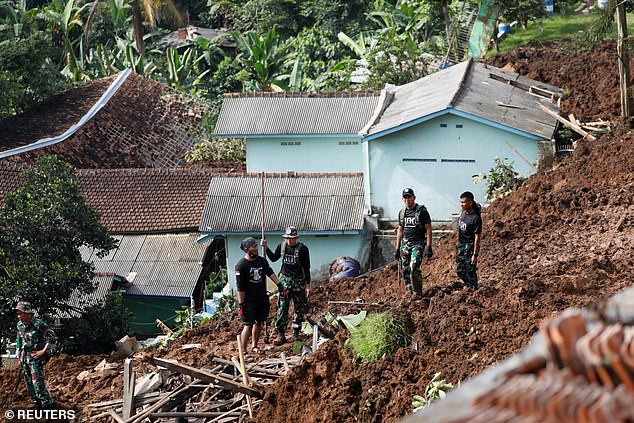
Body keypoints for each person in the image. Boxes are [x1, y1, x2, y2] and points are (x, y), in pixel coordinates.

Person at [262, 226, 311, 345]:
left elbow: (306, 268)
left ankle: (296, 332)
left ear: (296, 237)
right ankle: (281, 333)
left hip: (298, 282)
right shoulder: (282, 246)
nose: (289, 240)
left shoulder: (303, 249)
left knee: (299, 308)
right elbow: (273, 258)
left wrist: (308, 285)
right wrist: (266, 248)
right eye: (287, 238)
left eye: (292, 238)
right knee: (282, 307)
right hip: (285, 281)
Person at [235, 237, 282, 353]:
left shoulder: (261, 261)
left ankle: (254, 345)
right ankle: (243, 350)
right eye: (254, 247)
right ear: (247, 249)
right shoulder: (241, 266)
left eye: (256, 246)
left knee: (259, 322)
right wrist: (241, 305)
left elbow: (270, 272)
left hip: (261, 298)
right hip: (248, 300)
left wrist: (279, 284)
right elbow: (240, 288)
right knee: (248, 324)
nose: (256, 249)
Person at [15, 301, 57, 409]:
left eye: (21, 313)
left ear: (28, 313)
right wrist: (19, 356)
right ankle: (36, 403)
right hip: (25, 357)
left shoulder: (39, 325)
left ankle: (47, 405)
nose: (19, 316)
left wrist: (44, 351)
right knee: (28, 383)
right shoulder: (19, 325)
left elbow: (52, 337)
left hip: (35, 357)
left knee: (37, 383)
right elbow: (19, 340)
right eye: (18, 314)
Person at [395, 188, 433, 297]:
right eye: (405, 197)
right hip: (406, 244)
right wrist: (397, 248)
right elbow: (400, 230)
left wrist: (428, 246)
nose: (407, 199)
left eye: (409, 197)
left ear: (414, 198)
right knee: (405, 269)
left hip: (418, 243)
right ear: (403, 199)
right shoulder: (402, 213)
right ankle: (409, 290)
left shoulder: (422, 212)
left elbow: (429, 229)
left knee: (414, 267)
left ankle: (418, 293)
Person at [456, 191, 482, 289]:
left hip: (470, 246)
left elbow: (477, 237)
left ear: (470, 203)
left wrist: (475, 254)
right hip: (461, 245)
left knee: (470, 270)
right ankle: (469, 286)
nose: (462, 204)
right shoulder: (463, 214)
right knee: (460, 271)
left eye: (464, 202)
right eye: (461, 202)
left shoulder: (475, 218)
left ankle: (474, 289)